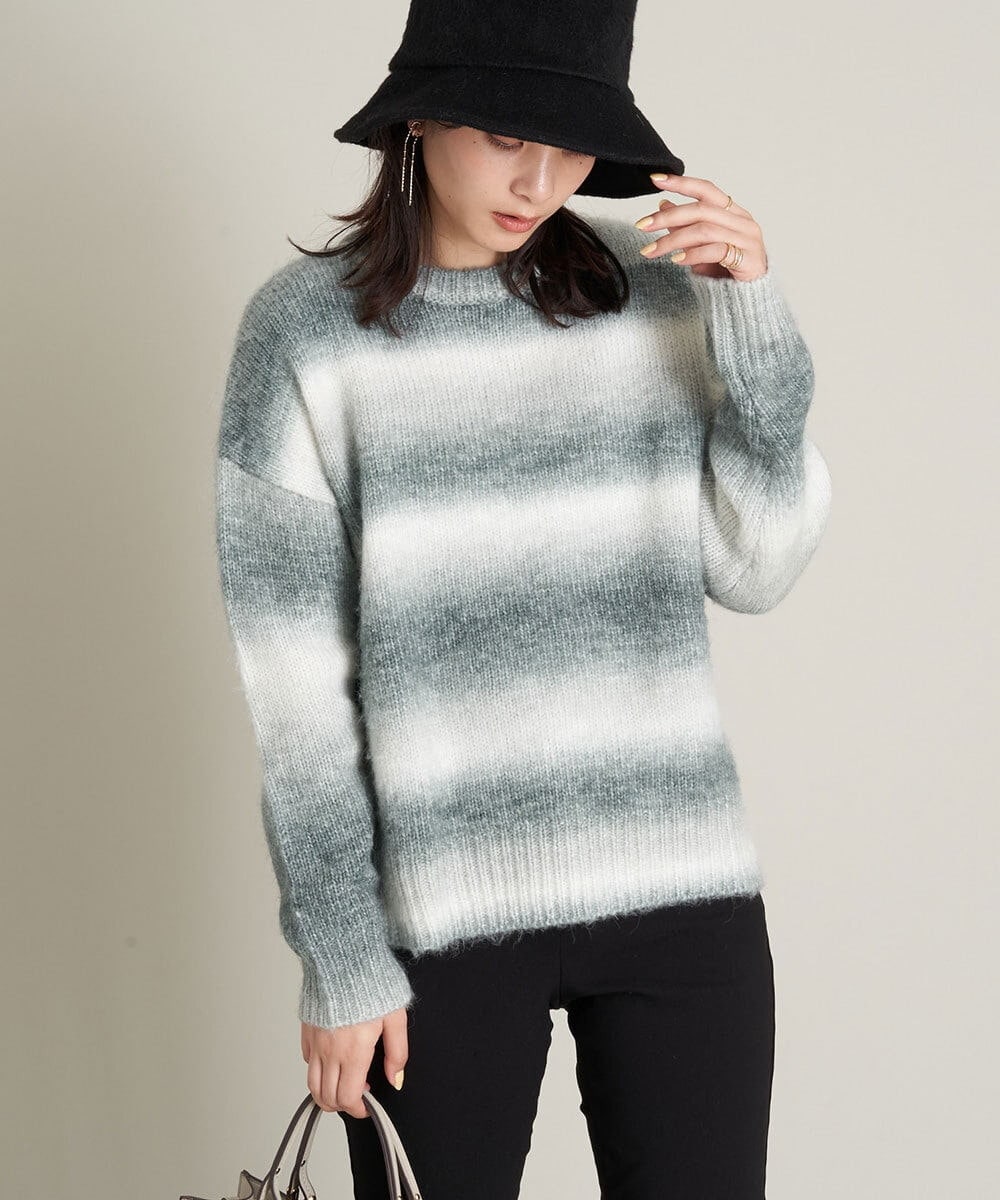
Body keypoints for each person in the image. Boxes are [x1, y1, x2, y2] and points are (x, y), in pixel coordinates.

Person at [212, 1, 832, 1197]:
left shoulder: (657, 293)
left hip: (678, 891)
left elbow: (756, 567)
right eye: (506, 134)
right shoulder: (302, 336)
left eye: (571, 144)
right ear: (421, 115)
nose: (540, 180)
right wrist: (337, 952)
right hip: (437, 920)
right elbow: (296, 699)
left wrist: (754, 323)